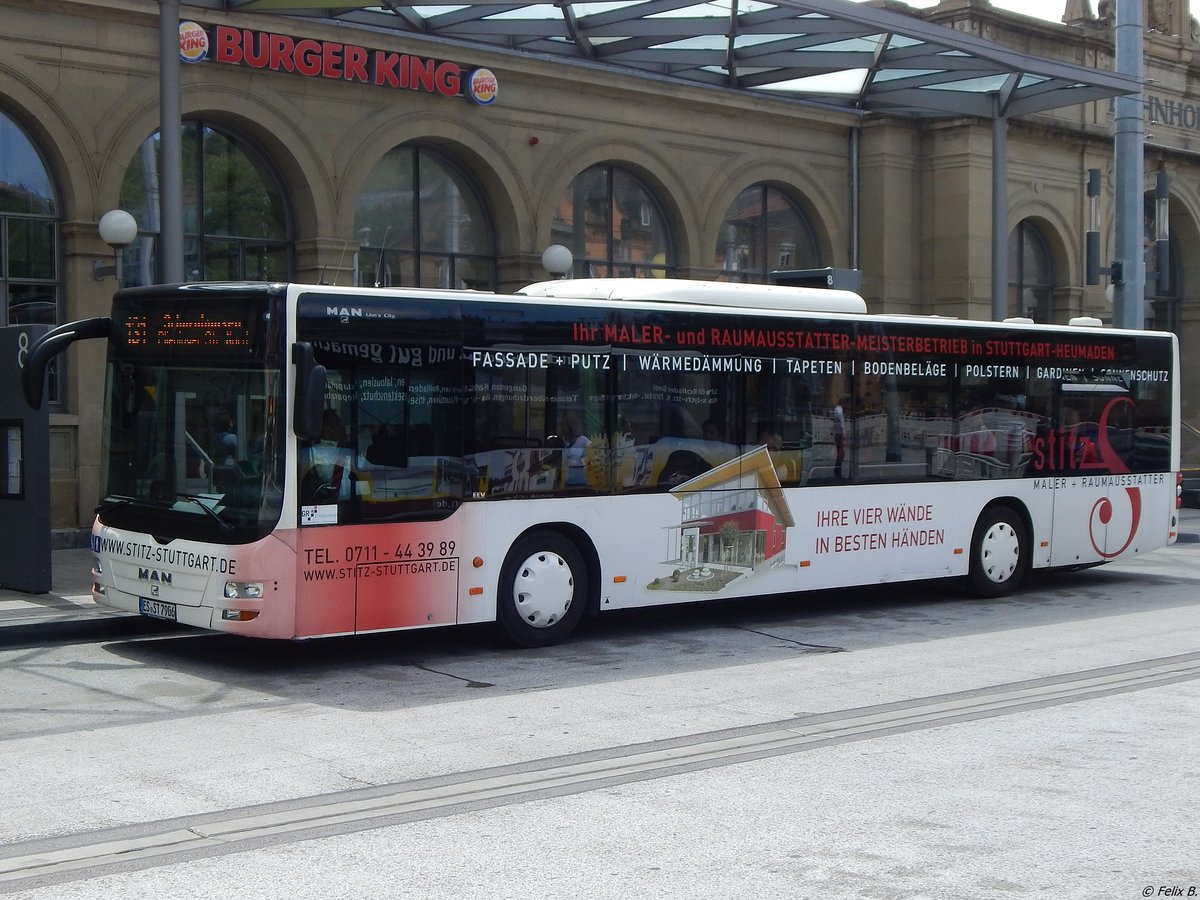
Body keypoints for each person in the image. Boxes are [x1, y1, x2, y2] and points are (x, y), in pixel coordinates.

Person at [561, 416, 591, 486]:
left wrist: (581, 461)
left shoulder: (583, 440)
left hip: (580, 479)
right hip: (563, 479)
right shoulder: (560, 440)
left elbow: (594, 454)